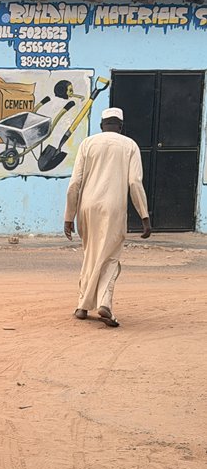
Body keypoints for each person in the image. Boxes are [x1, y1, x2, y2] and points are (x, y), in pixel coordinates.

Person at [64, 106, 151, 327]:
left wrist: (68, 216)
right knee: (110, 256)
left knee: (91, 253)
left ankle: (82, 306)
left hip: (87, 207)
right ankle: (105, 303)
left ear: (102, 125)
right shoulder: (130, 145)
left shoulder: (88, 143)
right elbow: (134, 182)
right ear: (121, 126)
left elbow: (75, 183)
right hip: (113, 208)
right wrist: (144, 215)